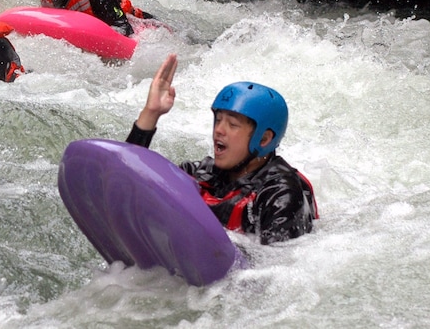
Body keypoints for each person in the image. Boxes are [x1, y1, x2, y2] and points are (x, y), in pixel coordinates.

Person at [126, 54, 318, 244]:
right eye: (218, 121)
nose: (219, 130)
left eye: (232, 125)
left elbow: (277, 267)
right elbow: (126, 185)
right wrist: (150, 114)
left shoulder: (280, 194)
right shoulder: (198, 174)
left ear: (264, 139)